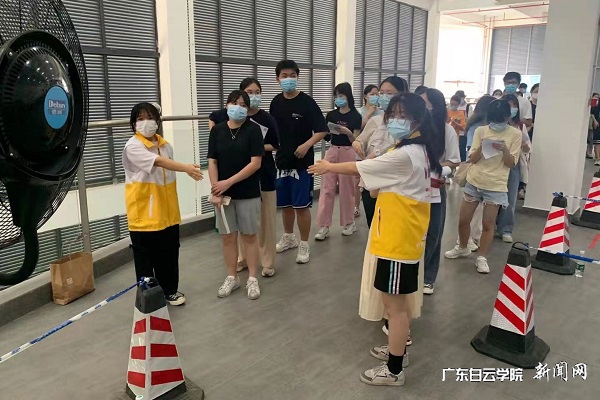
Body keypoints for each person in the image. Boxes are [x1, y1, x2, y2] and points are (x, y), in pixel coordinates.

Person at [308, 93, 442, 387]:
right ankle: (398, 351)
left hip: (397, 241)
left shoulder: (405, 154)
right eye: (392, 115)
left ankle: (394, 370)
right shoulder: (417, 150)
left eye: (402, 115)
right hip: (399, 237)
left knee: (395, 309)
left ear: (418, 120)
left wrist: (328, 166)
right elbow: (374, 187)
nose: (394, 121)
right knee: (397, 305)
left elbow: (359, 169)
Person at [123, 103, 203, 306]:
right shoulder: (133, 146)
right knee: (145, 260)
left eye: (150, 117)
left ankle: (170, 291)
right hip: (144, 214)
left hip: (168, 212)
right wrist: (186, 168)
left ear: (158, 121)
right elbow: (157, 162)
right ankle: (149, 299)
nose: (146, 122)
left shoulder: (166, 146)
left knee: (169, 253)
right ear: (133, 124)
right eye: (140, 119)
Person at [207, 78, 280, 278]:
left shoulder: (264, 121)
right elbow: (214, 120)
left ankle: (266, 263)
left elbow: (275, 145)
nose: (253, 96)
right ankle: (241, 261)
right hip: (228, 185)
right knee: (233, 230)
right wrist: (216, 187)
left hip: (260, 177)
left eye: (257, 92)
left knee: (259, 226)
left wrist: (253, 147)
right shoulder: (222, 123)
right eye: (249, 92)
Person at [444, 99, 522, 273]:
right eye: (494, 120)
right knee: (463, 220)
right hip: (475, 180)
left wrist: (504, 150)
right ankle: (462, 247)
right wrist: (482, 146)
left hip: (496, 185)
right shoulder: (481, 130)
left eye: (501, 120)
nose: (497, 124)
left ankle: (482, 257)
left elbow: (511, 163)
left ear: (507, 118)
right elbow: (472, 158)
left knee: (488, 224)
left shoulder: (515, 134)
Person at [270, 60, 328, 264]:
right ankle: (289, 237)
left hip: (303, 163)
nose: (288, 79)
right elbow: (273, 131)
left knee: (301, 206)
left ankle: (304, 244)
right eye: (284, 76)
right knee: (285, 204)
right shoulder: (275, 102)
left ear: (297, 77)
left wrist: (307, 145)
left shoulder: (307, 102)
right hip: (282, 161)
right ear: (277, 79)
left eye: (292, 76)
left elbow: (322, 130)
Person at [208, 90, 265, 299]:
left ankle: (252, 278)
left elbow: (255, 163)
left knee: (249, 236)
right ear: (227, 105)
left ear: (248, 109)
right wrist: (215, 188)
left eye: (243, 104)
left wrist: (228, 182)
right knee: (227, 237)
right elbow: (212, 161)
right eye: (234, 103)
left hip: (247, 192)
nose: (238, 107)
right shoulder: (217, 131)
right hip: (223, 195)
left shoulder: (253, 130)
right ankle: (232, 277)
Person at [353, 76, 408, 227]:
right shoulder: (376, 120)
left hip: (395, 183)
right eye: (381, 93)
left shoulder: (407, 122)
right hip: (371, 180)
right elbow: (360, 139)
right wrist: (357, 143)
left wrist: (377, 153)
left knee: (391, 227)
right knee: (373, 225)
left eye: (389, 93)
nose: (384, 97)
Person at [420, 88, 461, 295]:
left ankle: (428, 277)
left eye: (425, 103)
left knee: (433, 233)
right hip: (412, 188)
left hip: (435, 187)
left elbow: (454, 161)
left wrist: (433, 167)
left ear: (435, 106)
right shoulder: (414, 127)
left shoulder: (447, 131)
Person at [314, 83, 362, 240]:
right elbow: (327, 136)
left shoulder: (355, 116)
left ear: (348, 96)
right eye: (336, 96)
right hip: (333, 150)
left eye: (341, 95)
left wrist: (348, 133)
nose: (338, 99)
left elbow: (356, 140)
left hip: (348, 151)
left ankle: (349, 222)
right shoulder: (331, 115)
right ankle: (324, 226)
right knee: (327, 188)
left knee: (347, 188)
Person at [496, 94, 531, 243]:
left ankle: (505, 229)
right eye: (508, 105)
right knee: (492, 197)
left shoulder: (520, 126)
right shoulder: (494, 125)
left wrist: (523, 145)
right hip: (496, 164)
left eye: (514, 105)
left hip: (513, 165)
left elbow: (528, 147)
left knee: (510, 199)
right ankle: (489, 225)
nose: (512, 108)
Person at [356, 84, 382, 217]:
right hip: (362, 150)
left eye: (377, 94)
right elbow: (358, 129)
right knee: (359, 181)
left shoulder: (382, 114)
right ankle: (356, 206)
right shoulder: (359, 111)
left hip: (377, 155)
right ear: (365, 96)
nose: (375, 96)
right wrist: (369, 114)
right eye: (372, 94)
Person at [448, 94, 467, 161]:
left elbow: (463, 128)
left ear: (458, 105)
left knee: (454, 157)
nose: (453, 106)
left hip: (455, 138)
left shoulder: (460, 113)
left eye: (455, 105)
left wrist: (454, 122)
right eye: (452, 104)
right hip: (445, 137)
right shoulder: (446, 112)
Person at [590, 93, 600, 163]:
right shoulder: (597, 101)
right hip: (597, 123)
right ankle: (597, 158)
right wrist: (595, 121)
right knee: (597, 142)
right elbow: (592, 112)